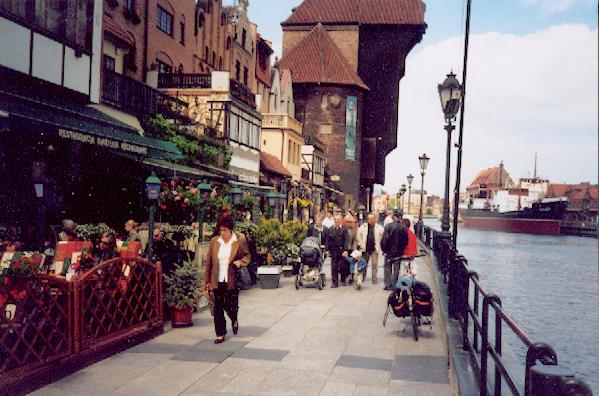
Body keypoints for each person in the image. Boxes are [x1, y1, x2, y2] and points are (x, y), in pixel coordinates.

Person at [204, 215, 251, 344]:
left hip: (232, 278)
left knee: (231, 305)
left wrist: (240, 262)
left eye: (225, 230)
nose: (222, 233)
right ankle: (220, 333)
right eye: (220, 230)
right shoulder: (215, 241)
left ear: (231, 229)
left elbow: (247, 256)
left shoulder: (239, 240)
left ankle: (234, 319)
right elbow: (209, 262)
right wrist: (207, 281)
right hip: (217, 279)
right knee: (218, 307)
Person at [381, 209, 408, 290]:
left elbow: (384, 239)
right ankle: (394, 284)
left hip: (389, 251)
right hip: (399, 252)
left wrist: (384, 250)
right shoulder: (403, 228)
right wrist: (402, 249)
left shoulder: (388, 226)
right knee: (396, 268)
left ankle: (387, 284)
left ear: (393, 217)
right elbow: (405, 241)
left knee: (387, 267)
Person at [356, 212, 384, 284]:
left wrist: (380, 245)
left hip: (374, 248)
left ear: (375, 219)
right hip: (365, 248)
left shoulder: (379, 228)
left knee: (374, 264)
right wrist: (360, 243)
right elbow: (359, 235)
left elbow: (382, 237)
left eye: (372, 218)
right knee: (364, 264)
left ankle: (374, 279)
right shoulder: (363, 227)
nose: (370, 220)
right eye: (369, 219)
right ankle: (362, 278)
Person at [325, 214, 348, 288]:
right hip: (334, 251)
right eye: (335, 220)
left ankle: (343, 280)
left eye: (338, 220)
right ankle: (334, 283)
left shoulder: (344, 229)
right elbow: (327, 241)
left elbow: (346, 240)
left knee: (342, 266)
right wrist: (327, 250)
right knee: (334, 267)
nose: (336, 222)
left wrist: (345, 250)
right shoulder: (330, 229)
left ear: (340, 221)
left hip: (342, 251)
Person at [344, 214, 358, 283]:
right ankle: (345, 276)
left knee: (351, 263)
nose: (348, 223)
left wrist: (354, 249)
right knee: (344, 264)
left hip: (351, 249)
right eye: (347, 222)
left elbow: (355, 240)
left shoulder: (354, 230)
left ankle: (350, 276)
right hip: (344, 249)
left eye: (350, 222)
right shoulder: (343, 229)